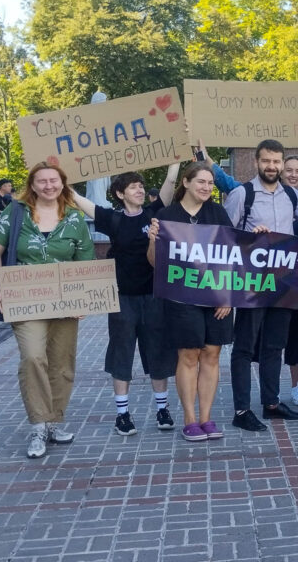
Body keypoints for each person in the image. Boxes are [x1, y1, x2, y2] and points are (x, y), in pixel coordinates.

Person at [0, 162, 95, 458]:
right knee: (33, 357)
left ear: (63, 184)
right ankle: (38, 423)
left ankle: (54, 421)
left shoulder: (74, 218)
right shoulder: (16, 211)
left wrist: (84, 298)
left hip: (65, 302)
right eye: (42, 181)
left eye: (54, 180)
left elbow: (85, 261)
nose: (49, 185)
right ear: (32, 185)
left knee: (61, 363)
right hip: (25, 299)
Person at [72, 164, 180, 436]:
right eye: (134, 187)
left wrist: (176, 160)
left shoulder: (155, 214)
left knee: (158, 352)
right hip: (121, 298)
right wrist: (59, 181)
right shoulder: (112, 219)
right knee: (121, 353)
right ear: (120, 193)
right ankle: (123, 414)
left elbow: (170, 181)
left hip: (154, 297)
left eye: (142, 186)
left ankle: (162, 409)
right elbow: (79, 201)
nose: (141, 190)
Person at [224, 139, 298, 432]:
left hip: (283, 282)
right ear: (256, 162)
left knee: (275, 345)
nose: (272, 167)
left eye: (277, 162)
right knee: (244, 346)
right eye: (267, 161)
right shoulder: (242, 194)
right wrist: (249, 235)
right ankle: (241, 410)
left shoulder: (291, 194)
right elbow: (223, 238)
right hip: (250, 282)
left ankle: (271, 403)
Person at [147, 160, 233, 442]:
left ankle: (206, 418)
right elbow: (156, 263)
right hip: (181, 299)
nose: (207, 187)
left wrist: (228, 295)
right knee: (188, 355)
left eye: (210, 183)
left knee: (211, 354)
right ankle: (189, 419)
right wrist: (152, 240)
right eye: (201, 182)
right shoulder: (167, 215)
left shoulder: (218, 213)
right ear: (186, 182)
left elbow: (231, 256)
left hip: (216, 298)